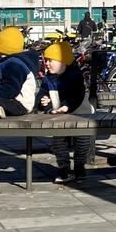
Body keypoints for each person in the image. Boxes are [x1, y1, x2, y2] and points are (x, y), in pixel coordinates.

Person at [37, 41, 95, 183]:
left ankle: (79, 167)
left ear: (63, 61)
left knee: (82, 141)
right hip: (59, 116)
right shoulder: (48, 79)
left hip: (81, 115)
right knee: (58, 142)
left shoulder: (74, 75)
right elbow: (41, 95)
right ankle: (64, 168)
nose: (47, 64)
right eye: (46, 61)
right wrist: (42, 102)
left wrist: (67, 106)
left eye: (51, 60)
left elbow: (77, 95)